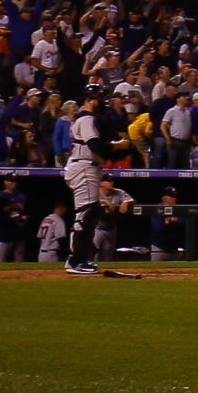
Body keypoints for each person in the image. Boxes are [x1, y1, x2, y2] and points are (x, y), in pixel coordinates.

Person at [63, 83, 131, 275]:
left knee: (88, 212)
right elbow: (95, 146)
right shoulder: (86, 119)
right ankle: (76, 261)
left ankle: (77, 259)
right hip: (84, 165)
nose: (102, 101)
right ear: (88, 99)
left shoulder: (89, 119)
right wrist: (117, 146)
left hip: (87, 166)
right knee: (86, 212)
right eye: (98, 97)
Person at [0, 174, 31, 263]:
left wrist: (25, 217)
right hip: (5, 233)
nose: (13, 183)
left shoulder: (22, 197)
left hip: (19, 232)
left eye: (15, 181)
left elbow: (28, 212)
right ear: (5, 182)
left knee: (19, 259)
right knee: (0, 260)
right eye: (11, 181)